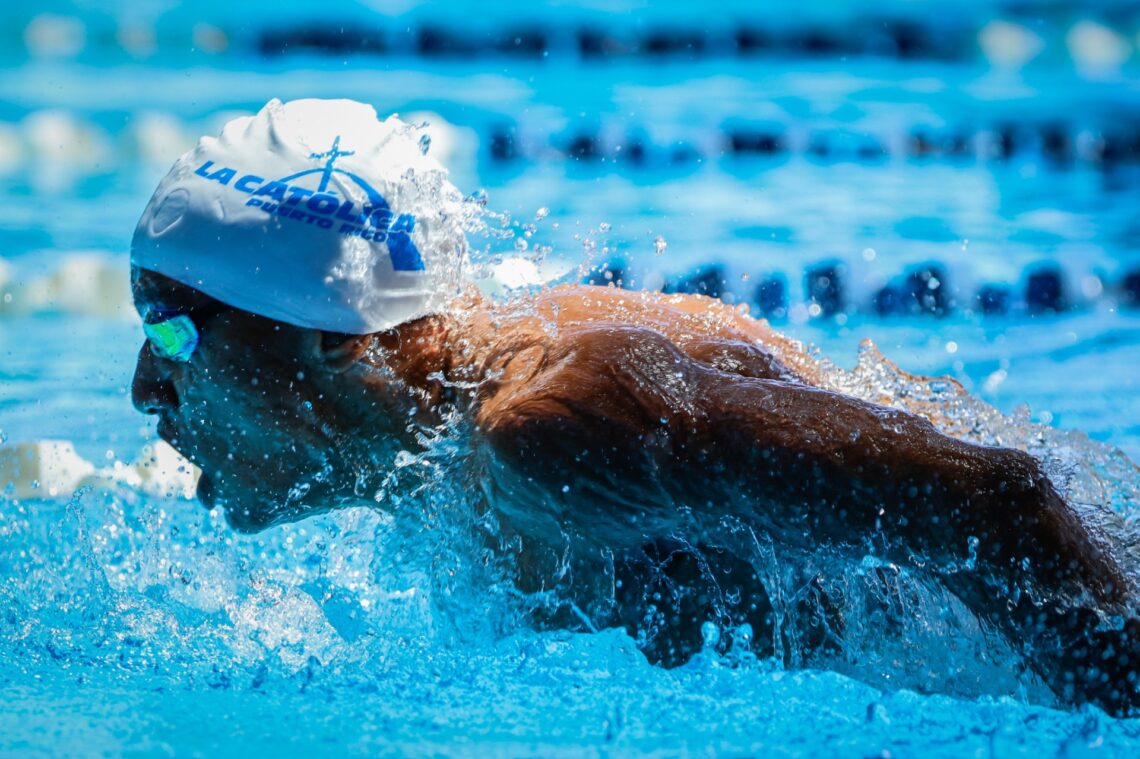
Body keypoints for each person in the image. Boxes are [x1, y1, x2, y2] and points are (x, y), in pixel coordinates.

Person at [130, 99, 1140, 715]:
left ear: (334, 340)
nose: (143, 388)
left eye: (172, 330)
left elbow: (990, 503)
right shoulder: (450, 447)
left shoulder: (553, 427)